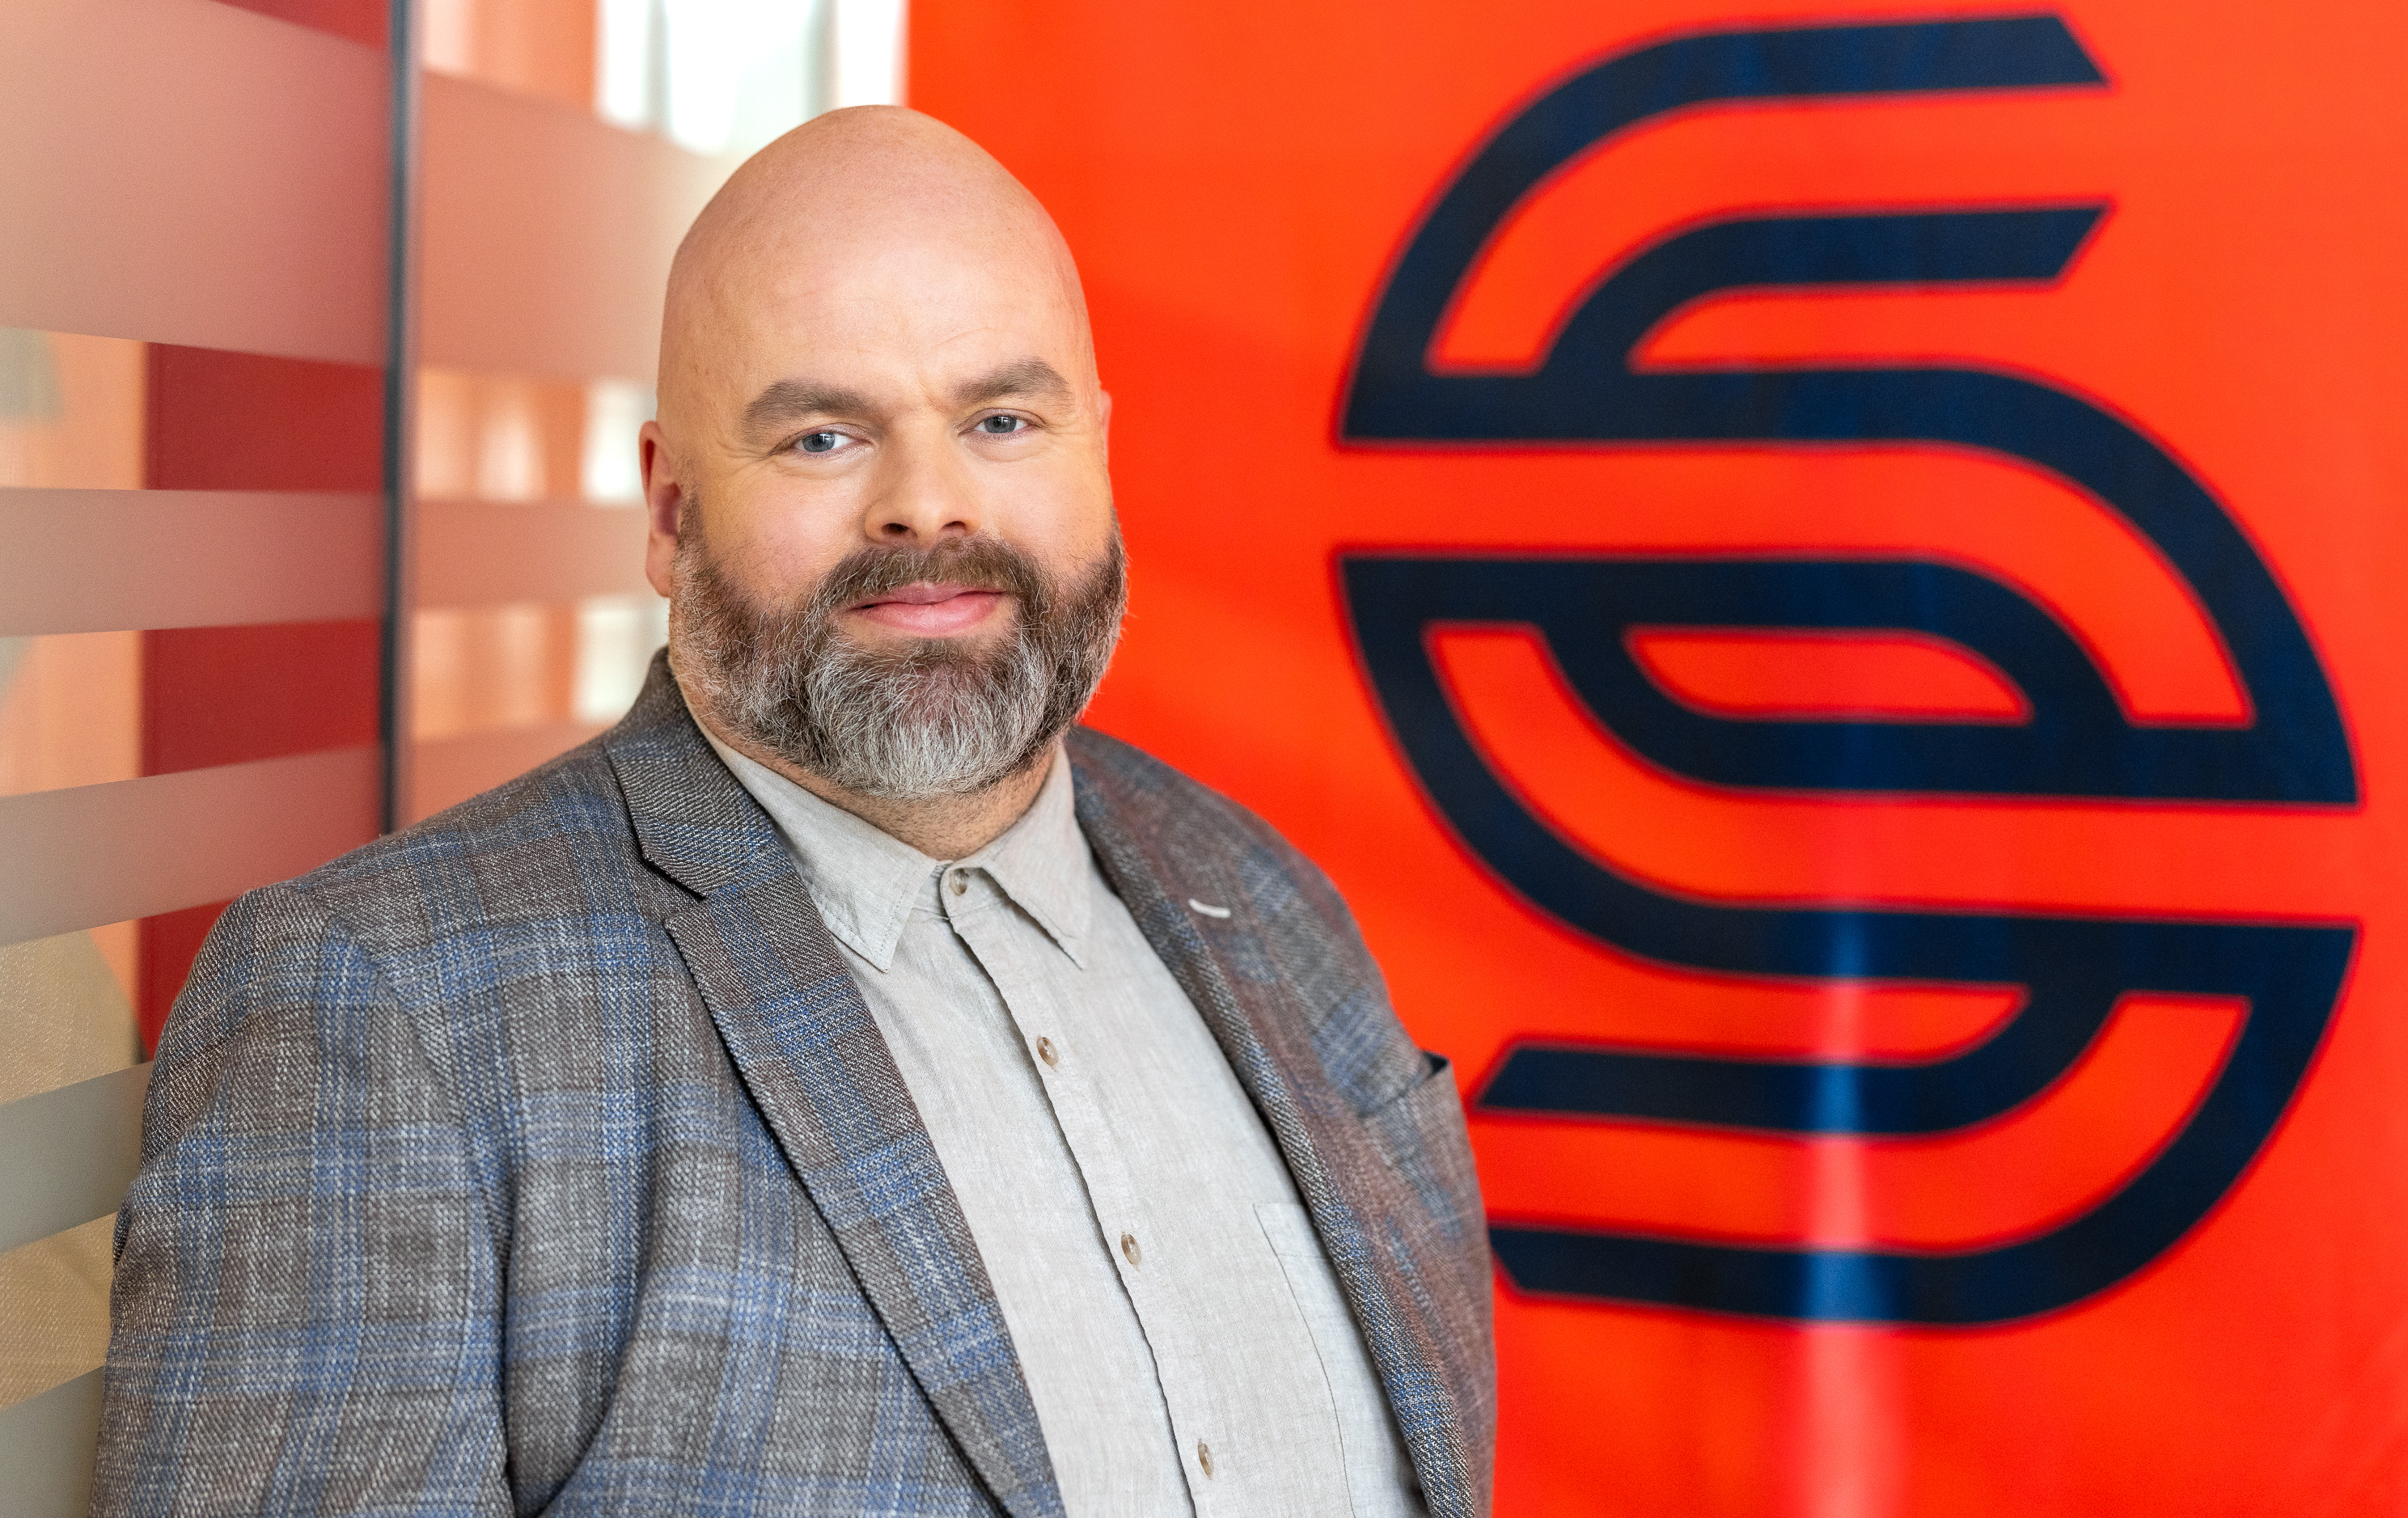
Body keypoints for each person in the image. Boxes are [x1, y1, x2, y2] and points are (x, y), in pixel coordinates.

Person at [92, 108, 1494, 1518]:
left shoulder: (1268, 900)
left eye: (1002, 420)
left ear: (1100, 454)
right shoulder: (385, 1008)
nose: (927, 505)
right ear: (669, 509)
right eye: (823, 436)